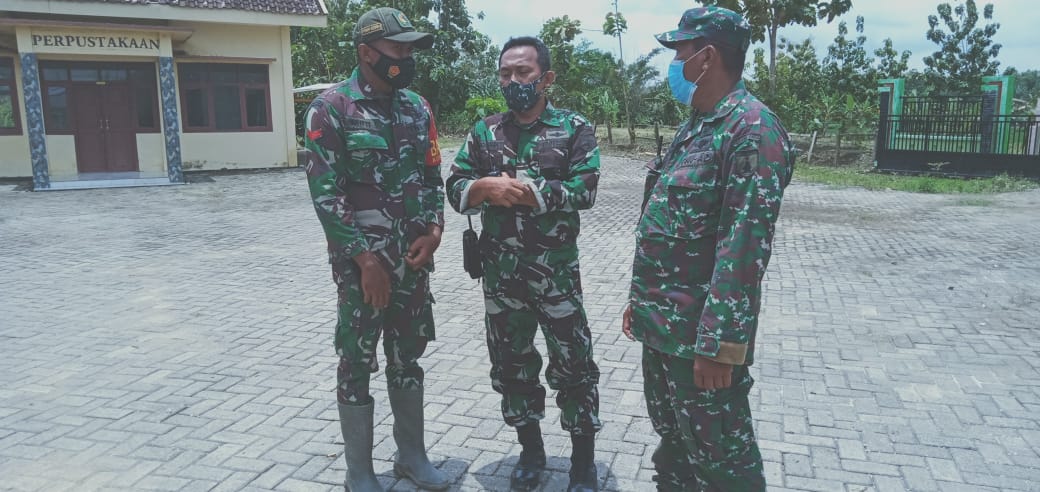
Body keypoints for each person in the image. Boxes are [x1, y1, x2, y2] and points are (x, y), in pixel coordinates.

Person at [621, 7, 794, 492]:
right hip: (664, 330)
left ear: (707, 55)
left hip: (701, 342)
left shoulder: (751, 132)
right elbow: (664, 229)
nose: (674, 63)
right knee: (674, 449)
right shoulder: (699, 124)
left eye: (679, 52)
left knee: (723, 464)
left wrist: (721, 348)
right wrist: (640, 302)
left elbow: (742, 250)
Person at [302, 7, 450, 492]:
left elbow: (431, 175)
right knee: (357, 360)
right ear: (367, 52)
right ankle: (359, 471)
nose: (406, 57)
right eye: (397, 49)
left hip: (412, 263)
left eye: (409, 49)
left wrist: (435, 229)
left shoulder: (417, 108)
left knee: (408, 357)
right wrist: (364, 260)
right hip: (362, 271)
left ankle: (411, 456)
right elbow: (327, 193)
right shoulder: (331, 109)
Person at [446, 36, 602, 492]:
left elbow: (586, 190)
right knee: (512, 367)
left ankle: (583, 464)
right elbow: (454, 185)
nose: (513, 81)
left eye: (524, 73)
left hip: (555, 277)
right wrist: (482, 190)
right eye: (505, 74)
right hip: (501, 279)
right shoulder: (484, 132)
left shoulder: (573, 128)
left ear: (546, 78)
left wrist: (534, 192)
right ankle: (531, 452)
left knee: (573, 366)